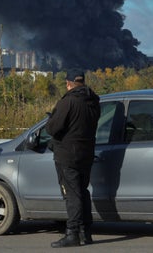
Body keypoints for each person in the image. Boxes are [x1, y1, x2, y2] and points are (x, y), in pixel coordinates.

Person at [45, 68, 100, 248]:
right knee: (82, 192)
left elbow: (52, 128)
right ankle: (86, 232)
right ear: (82, 82)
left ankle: (72, 233)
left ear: (68, 84)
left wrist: (51, 119)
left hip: (68, 155)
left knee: (72, 195)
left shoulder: (68, 102)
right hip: (87, 153)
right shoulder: (93, 101)